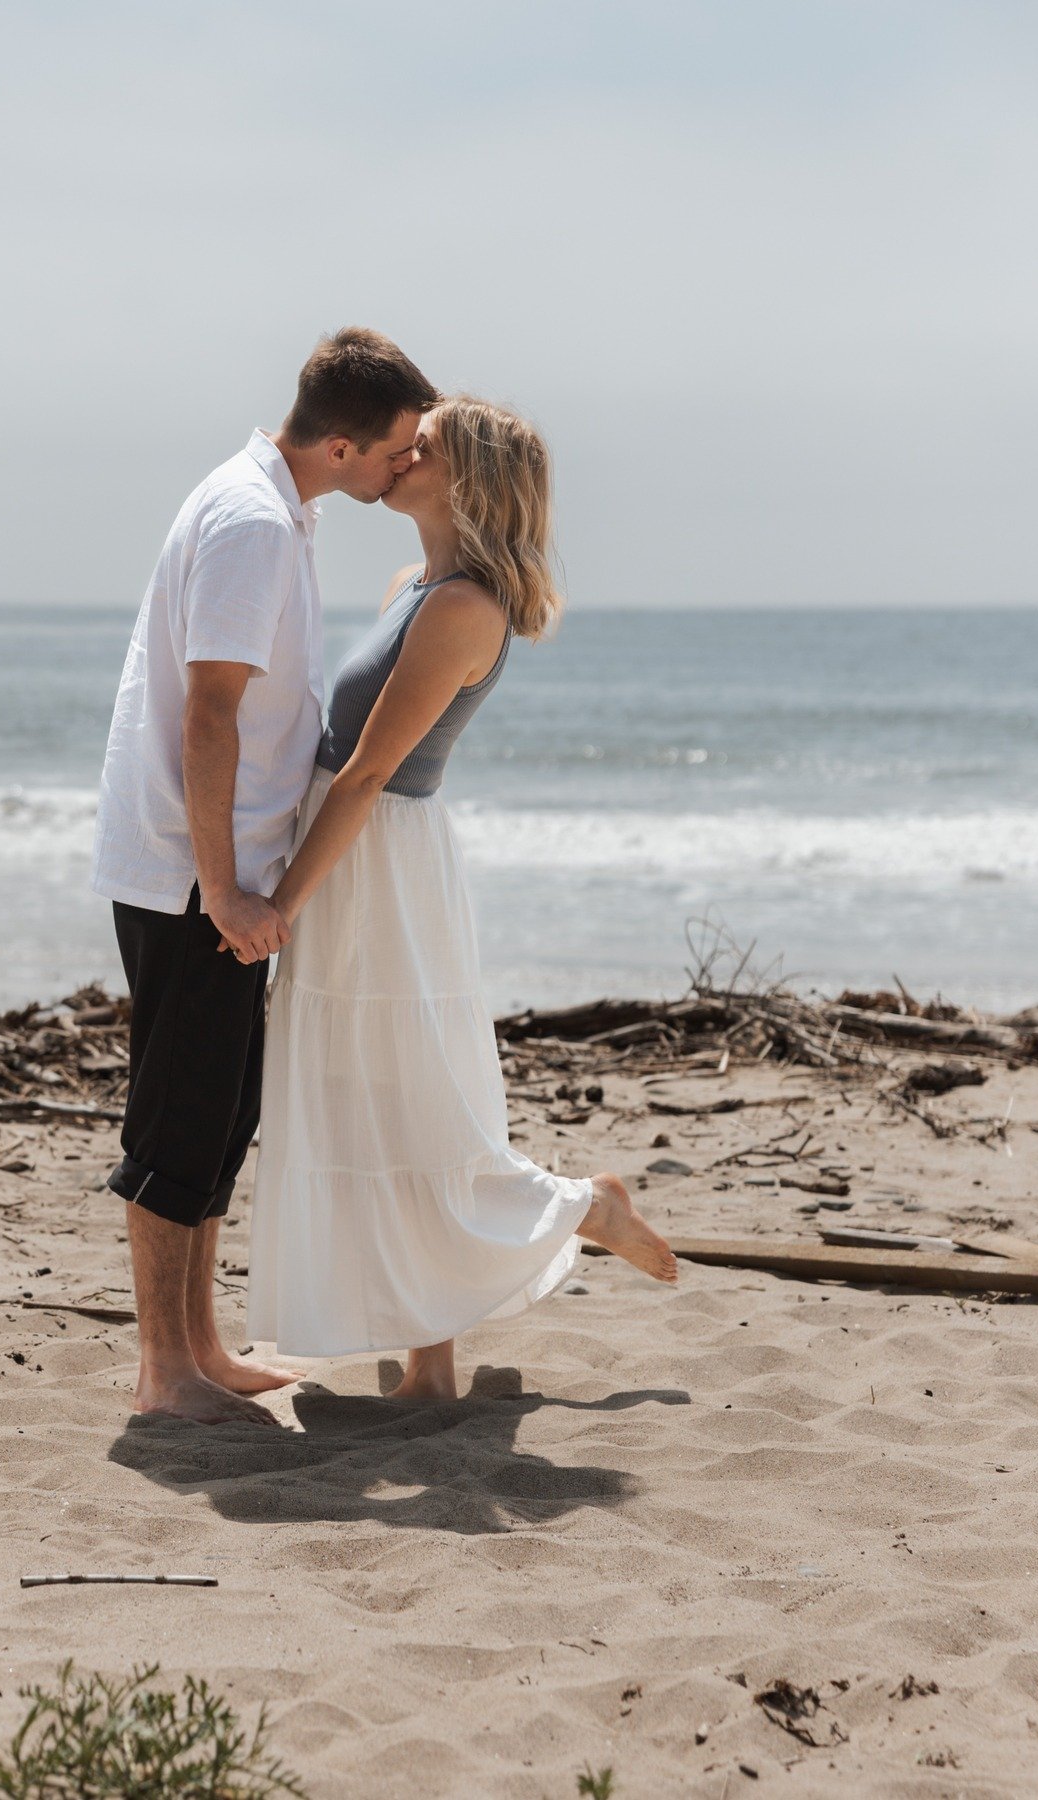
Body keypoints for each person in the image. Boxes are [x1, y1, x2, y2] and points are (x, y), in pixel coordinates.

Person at [244, 397, 678, 1399]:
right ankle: (430, 1362)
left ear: (465, 479)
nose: (400, 453)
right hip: (361, 856)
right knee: (369, 1101)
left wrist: (281, 905)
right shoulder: (417, 583)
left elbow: (362, 774)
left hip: (378, 866)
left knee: (414, 1106)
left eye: (422, 446)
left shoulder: (463, 608)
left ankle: (582, 1206)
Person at [90, 327, 439, 1424]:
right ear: (343, 444)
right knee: (178, 1120)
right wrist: (228, 887)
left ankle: (199, 1347)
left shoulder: (280, 509)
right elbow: (209, 715)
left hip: (220, 866)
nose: (404, 468)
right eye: (396, 450)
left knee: (222, 1113)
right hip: (196, 872)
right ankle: (163, 1373)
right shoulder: (248, 520)